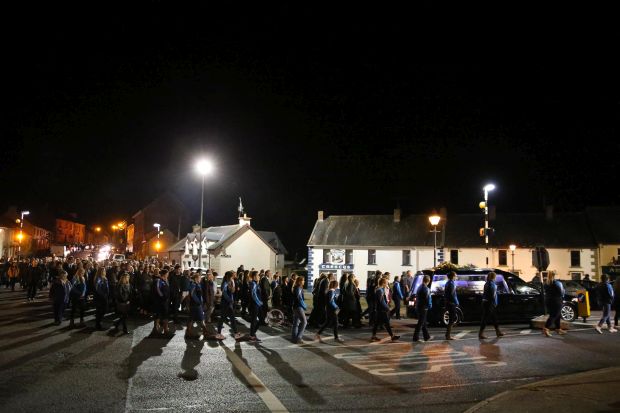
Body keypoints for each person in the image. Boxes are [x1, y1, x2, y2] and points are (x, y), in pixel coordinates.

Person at [372, 277, 400, 342]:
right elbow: (381, 301)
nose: (387, 284)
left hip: (380, 310)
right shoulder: (380, 290)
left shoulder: (379, 289)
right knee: (386, 323)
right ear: (383, 283)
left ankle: (373, 336)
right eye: (387, 283)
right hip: (382, 310)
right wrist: (387, 308)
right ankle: (392, 336)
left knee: (377, 323)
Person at [217, 271, 242, 340]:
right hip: (226, 303)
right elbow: (224, 293)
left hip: (228, 303)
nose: (234, 276)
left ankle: (236, 333)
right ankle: (219, 334)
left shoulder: (230, 282)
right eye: (233, 275)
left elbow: (233, 291)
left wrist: (233, 283)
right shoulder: (225, 283)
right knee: (223, 318)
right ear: (230, 276)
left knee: (231, 318)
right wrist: (230, 300)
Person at [479, 272, 504, 339]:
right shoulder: (491, 284)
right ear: (494, 277)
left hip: (486, 302)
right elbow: (492, 295)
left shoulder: (487, 283)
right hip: (490, 303)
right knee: (485, 319)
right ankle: (481, 334)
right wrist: (494, 303)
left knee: (494, 318)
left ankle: (498, 332)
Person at [543, 271, 566, 337]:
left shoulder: (546, 283)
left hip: (548, 301)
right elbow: (561, 292)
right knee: (554, 315)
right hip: (556, 300)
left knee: (557, 315)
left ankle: (558, 329)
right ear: (554, 275)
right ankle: (546, 328)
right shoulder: (557, 283)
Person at [186, 272, 208, 339]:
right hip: (195, 304)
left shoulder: (197, 284)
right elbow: (192, 294)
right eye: (199, 278)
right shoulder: (193, 284)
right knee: (200, 318)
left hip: (197, 304)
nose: (200, 279)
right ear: (196, 278)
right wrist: (198, 302)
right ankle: (205, 332)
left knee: (192, 318)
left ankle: (189, 332)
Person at [152, 269, 173, 337]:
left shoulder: (166, 281)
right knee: (158, 315)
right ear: (164, 274)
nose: (168, 275)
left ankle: (165, 329)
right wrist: (163, 297)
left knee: (165, 315)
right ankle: (155, 329)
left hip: (166, 301)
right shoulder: (158, 280)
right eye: (167, 274)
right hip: (160, 301)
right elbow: (158, 289)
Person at [291, 276, 307, 344]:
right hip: (298, 307)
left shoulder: (297, 288)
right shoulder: (298, 288)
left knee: (296, 323)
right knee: (304, 322)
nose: (304, 282)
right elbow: (299, 298)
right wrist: (304, 306)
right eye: (303, 280)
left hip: (295, 307)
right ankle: (299, 337)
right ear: (300, 281)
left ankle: (294, 338)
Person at [444, 271, 459, 340]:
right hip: (451, 303)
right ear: (453, 276)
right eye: (455, 276)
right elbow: (453, 294)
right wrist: (456, 302)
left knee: (451, 319)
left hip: (448, 302)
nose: (456, 277)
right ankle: (448, 335)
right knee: (452, 319)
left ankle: (447, 334)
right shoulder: (451, 284)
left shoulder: (448, 283)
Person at [248, 271, 263, 342]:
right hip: (255, 305)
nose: (259, 277)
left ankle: (253, 333)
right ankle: (252, 335)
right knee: (254, 320)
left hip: (258, 305)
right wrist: (258, 302)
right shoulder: (253, 283)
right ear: (254, 277)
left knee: (261, 319)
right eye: (258, 276)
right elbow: (253, 294)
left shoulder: (257, 283)